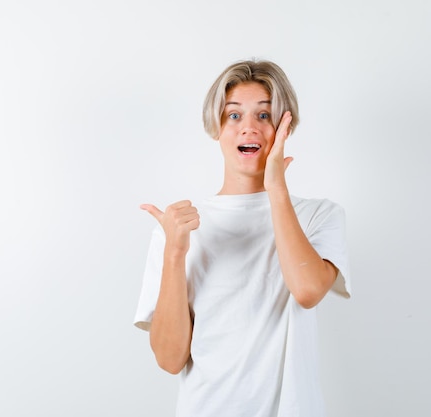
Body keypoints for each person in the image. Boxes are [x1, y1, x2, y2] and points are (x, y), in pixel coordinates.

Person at [134, 59, 351, 417]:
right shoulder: (177, 229)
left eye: (264, 116)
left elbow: (308, 291)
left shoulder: (320, 215)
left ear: (285, 125)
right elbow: (170, 360)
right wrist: (175, 252)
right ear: (216, 127)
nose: (248, 127)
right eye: (234, 115)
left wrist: (275, 186)